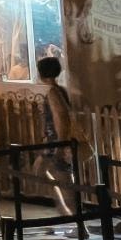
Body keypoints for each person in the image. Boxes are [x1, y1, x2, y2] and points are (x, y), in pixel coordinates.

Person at [35, 55, 83, 220]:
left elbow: (60, 119)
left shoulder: (54, 93)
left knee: (65, 182)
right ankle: (65, 212)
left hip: (56, 142)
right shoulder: (60, 90)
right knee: (41, 171)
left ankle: (75, 220)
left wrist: (61, 146)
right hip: (55, 141)